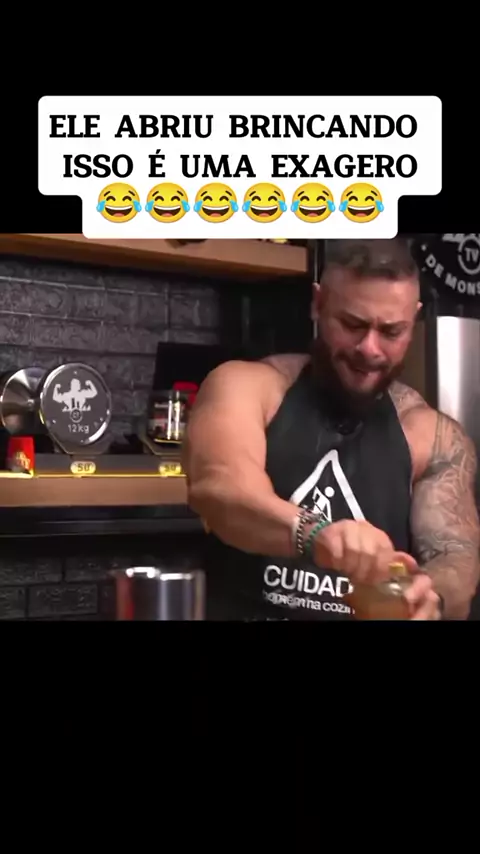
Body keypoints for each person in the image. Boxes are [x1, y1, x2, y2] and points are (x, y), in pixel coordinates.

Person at [182, 238, 480, 620]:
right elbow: (220, 489)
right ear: (318, 304)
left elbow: (454, 555)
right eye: (353, 324)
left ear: (413, 321)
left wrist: (430, 596)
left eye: (391, 332)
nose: (369, 348)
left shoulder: (432, 436)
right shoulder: (247, 387)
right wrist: (317, 534)